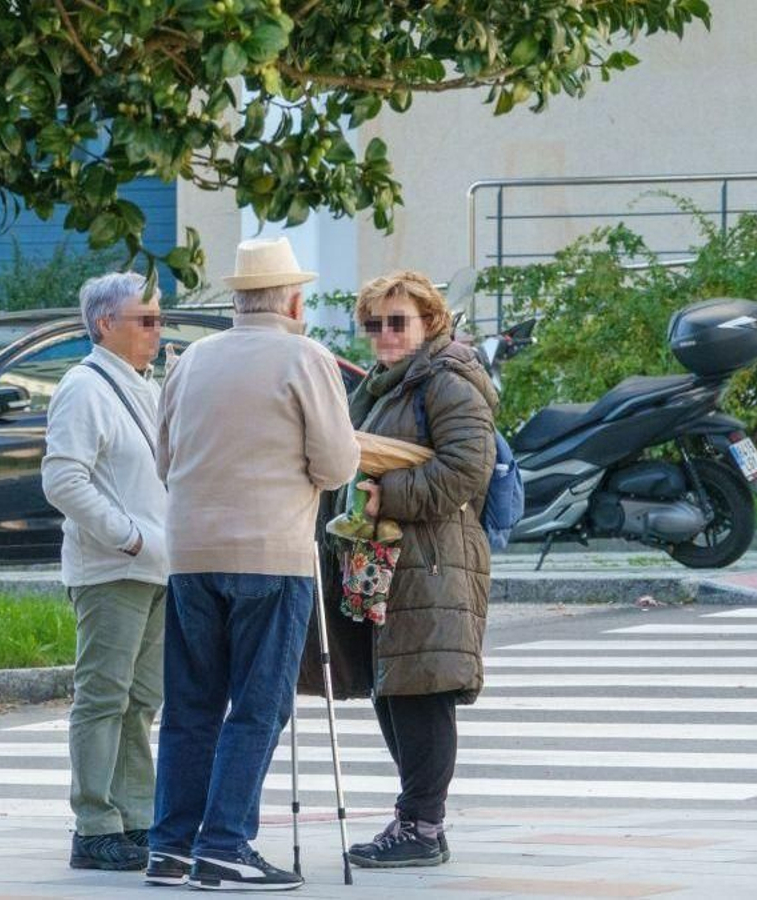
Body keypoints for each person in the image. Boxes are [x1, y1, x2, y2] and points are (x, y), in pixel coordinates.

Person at [148, 237, 359, 891]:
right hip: (271, 553)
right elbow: (336, 463)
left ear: (239, 298)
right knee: (259, 706)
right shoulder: (306, 357)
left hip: (190, 552)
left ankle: (170, 848)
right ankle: (226, 844)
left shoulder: (191, 360)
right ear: (292, 298)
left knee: (190, 705)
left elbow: (163, 459)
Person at [339, 271, 498, 868]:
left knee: (422, 689)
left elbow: (466, 471)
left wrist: (391, 496)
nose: (383, 333)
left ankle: (422, 826)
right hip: (395, 561)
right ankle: (417, 820)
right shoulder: (390, 384)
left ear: (430, 321)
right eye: (374, 323)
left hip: (433, 560)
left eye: (396, 321)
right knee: (394, 685)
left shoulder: (447, 383)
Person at [41, 272, 169, 872]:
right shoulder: (83, 386)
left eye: (159, 317)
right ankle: (94, 823)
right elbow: (63, 479)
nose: (158, 329)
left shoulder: (146, 384)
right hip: (112, 569)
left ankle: (133, 816)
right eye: (145, 319)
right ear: (104, 325)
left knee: (141, 699)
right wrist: (128, 536)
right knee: (103, 697)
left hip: (155, 567)